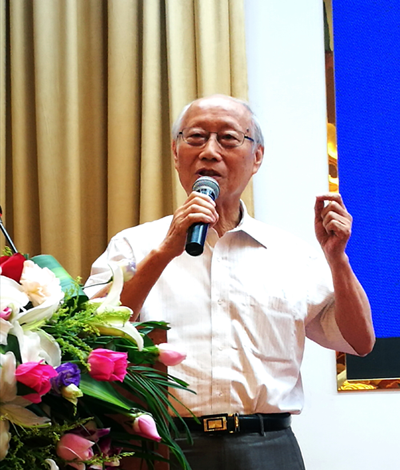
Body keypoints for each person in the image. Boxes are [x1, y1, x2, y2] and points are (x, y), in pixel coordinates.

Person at [84, 94, 375, 470]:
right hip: (165, 449)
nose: (209, 152)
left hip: (267, 446)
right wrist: (166, 252)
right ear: (176, 153)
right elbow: (91, 336)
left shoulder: (290, 253)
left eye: (228, 139)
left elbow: (359, 341)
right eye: (195, 137)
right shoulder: (133, 246)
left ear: (257, 157)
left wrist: (337, 259)